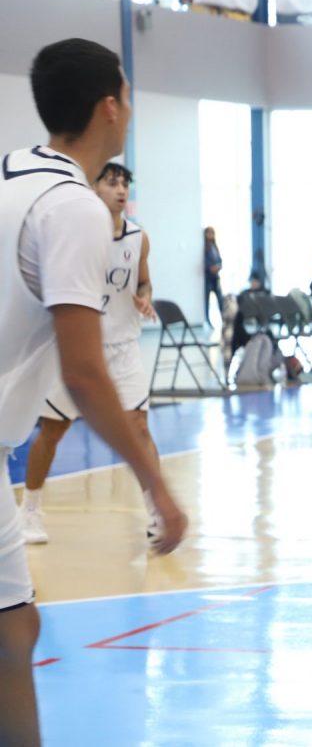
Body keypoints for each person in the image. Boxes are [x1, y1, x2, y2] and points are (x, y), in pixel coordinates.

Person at [1, 37, 187, 743]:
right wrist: (156, 485)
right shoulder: (74, 207)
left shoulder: (11, 172)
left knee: (15, 628)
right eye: (129, 97)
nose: (131, 110)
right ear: (110, 106)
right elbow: (83, 373)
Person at [20, 163, 166, 546]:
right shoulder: (76, 234)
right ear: (94, 187)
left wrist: (145, 298)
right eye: (112, 182)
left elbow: (144, 282)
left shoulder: (138, 238)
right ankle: (30, 509)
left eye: (125, 183)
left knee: (139, 427)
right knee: (53, 430)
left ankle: (157, 510)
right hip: (78, 347)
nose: (120, 190)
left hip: (123, 348)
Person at [204, 225, 223, 325]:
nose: (210, 235)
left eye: (212, 233)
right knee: (206, 301)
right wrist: (211, 268)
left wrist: (219, 266)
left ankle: (224, 318)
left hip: (216, 277)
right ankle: (207, 320)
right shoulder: (204, 248)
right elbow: (206, 263)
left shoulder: (215, 247)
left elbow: (220, 260)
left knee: (220, 299)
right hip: (208, 278)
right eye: (208, 233)